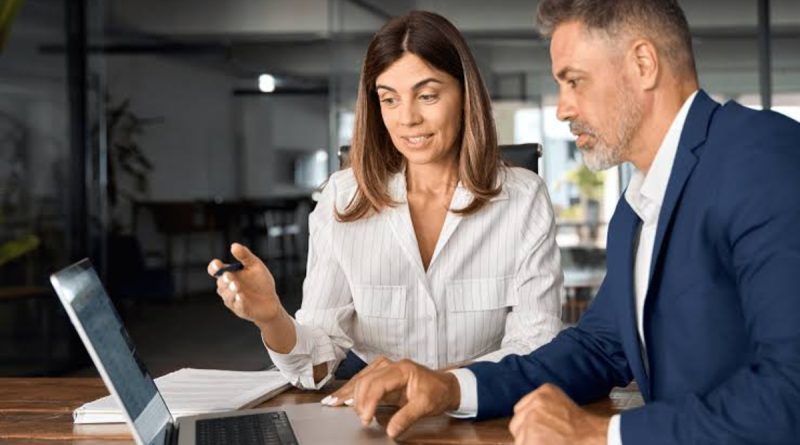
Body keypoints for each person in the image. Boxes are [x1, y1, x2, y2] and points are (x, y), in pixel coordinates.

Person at [348, 1, 800, 443]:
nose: (563, 108)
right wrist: (450, 387)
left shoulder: (762, 158)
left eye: (574, 82)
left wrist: (602, 434)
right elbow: (598, 349)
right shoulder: (636, 207)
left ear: (643, 63)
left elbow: (791, 392)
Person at [207, 10, 563, 397]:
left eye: (427, 96)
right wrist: (272, 317)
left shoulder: (523, 199)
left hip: (485, 414)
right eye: (389, 99)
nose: (407, 118)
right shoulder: (342, 200)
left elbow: (536, 346)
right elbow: (316, 364)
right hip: (376, 418)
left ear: (465, 96)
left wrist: (438, 385)